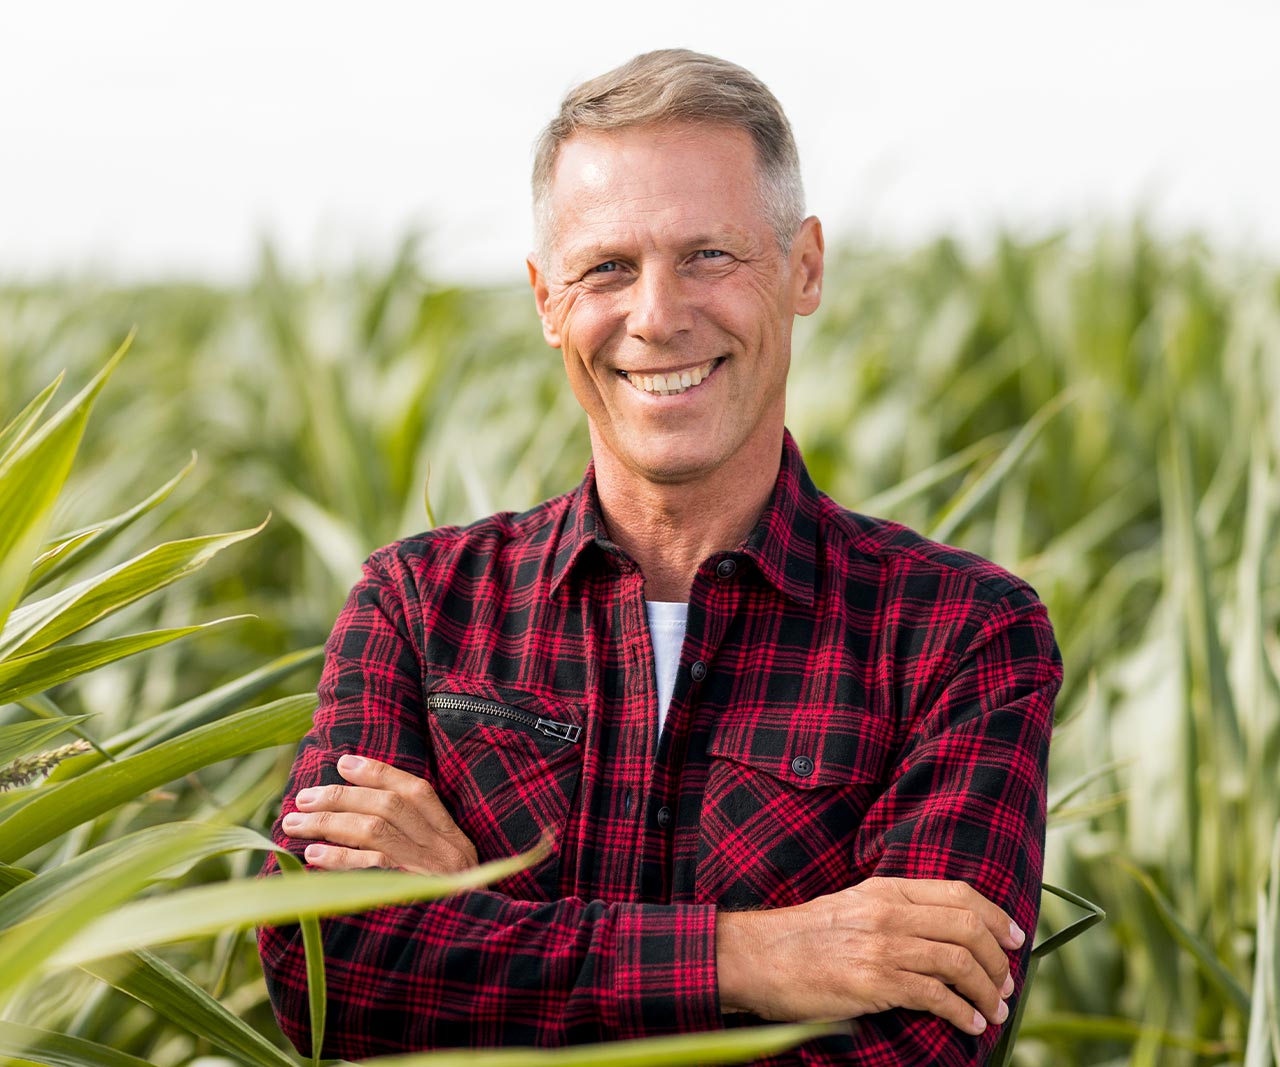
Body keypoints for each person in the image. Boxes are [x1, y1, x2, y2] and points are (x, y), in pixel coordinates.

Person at [258, 48, 1061, 1066]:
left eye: (708, 256)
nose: (655, 315)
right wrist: (749, 955)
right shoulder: (419, 606)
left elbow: (910, 1048)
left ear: (803, 266)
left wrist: (475, 906)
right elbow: (330, 978)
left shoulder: (958, 636)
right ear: (547, 300)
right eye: (606, 268)